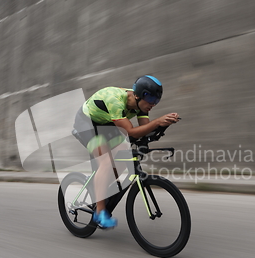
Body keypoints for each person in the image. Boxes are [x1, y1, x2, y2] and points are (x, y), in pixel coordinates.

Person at [73, 75, 180, 228]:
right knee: (106, 162)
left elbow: (144, 132)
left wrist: (164, 124)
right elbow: (131, 132)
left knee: (125, 153)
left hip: (107, 123)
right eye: (150, 99)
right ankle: (100, 212)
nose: (153, 104)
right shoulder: (115, 101)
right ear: (138, 95)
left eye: (156, 101)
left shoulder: (141, 106)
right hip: (87, 123)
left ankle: (101, 187)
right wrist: (157, 121)